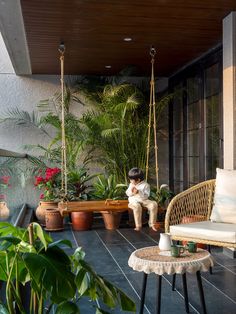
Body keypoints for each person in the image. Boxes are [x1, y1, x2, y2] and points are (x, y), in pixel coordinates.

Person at [126, 167, 158, 231]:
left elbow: (146, 196)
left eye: (132, 179)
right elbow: (127, 193)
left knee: (153, 204)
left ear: (138, 180)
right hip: (133, 201)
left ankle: (152, 224)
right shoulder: (131, 184)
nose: (130, 181)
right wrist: (132, 192)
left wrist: (139, 192)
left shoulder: (146, 185)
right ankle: (138, 225)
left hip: (143, 200)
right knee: (137, 207)